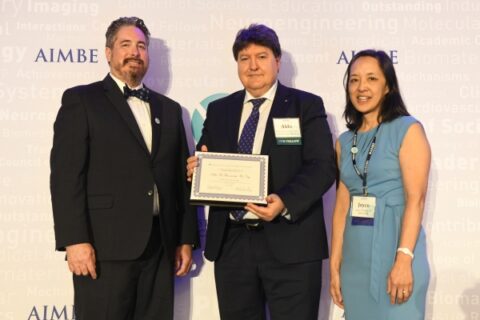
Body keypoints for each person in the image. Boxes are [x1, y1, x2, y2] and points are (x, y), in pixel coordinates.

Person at [50, 17, 198, 320]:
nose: (135, 52)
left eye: (141, 46)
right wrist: (75, 240)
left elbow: (179, 182)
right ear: (108, 53)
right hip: (104, 249)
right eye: (125, 44)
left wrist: (185, 238)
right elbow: (66, 177)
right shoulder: (82, 100)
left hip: (160, 247)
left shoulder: (170, 110)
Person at [186, 24, 336, 320]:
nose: (253, 65)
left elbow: (323, 167)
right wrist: (196, 169)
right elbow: (205, 157)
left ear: (277, 61)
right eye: (244, 58)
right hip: (232, 245)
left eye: (262, 56)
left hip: (291, 244)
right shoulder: (219, 110)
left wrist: (285, 202)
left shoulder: (305, 105)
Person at [329, 49, 430, 319]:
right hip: (355, 260)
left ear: (388, 87)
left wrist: (404, 259)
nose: (361, 87)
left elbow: (415, 199)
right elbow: (341, 207)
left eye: (372, 79)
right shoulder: (343, 142)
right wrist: (335, 267)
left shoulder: (408, 129)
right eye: (354, 80)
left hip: (395, 252)